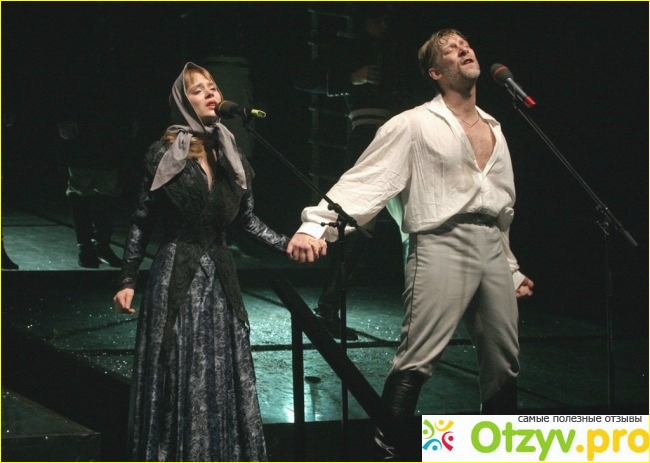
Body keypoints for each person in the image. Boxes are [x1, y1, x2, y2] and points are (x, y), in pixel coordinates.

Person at [287, 29, 534, 459]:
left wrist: (510, 268)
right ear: (435, 72)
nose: (464, 49)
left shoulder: (495, 127)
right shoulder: (413, 123)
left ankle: (499, 453)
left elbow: (502, 206)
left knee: (504, 363)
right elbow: (367, 180)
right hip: (441, 241)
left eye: (465, 44)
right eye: (451, 50)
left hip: (493, 247)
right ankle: (386, 450)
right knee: (418, 357)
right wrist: (316, 226)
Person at [112, 63, 308, 461]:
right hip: (177, 276)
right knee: (179, 374)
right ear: (183, 102)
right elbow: (142, 220)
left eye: (213, 87)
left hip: (220, 282)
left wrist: (287, 243)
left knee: (219, 374)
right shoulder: (164, 154)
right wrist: (127, 279)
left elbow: (247, 221)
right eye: (198, 90)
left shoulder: (231, 154)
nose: (211, 94)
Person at [295, 3, 422, 340]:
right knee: (356, 222)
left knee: (415, 218)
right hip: (368, 133)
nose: (384, 25)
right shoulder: (351, 48)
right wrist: (352, 78)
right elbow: (303, 78)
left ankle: (422, 310)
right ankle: (328, 306)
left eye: (386, 19)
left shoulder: (398, 50)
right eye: (378, 19)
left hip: (403, 134)